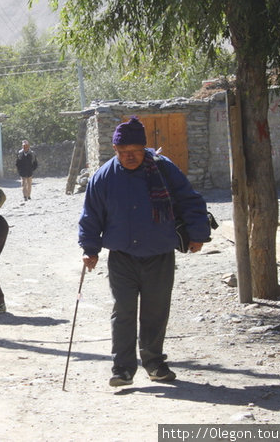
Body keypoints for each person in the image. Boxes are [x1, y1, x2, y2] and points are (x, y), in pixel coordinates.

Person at [78, 116, 210, 387]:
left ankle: (154, 363)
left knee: (155, 310)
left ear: (145, 148)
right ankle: (123, 369)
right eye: (124, 152)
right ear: (115, 151)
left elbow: (189, 199)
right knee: (123, 311)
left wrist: (198, 235)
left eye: (136, 152)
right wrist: (89, 249)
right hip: (122, 257)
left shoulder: (163, 170)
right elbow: (91, 215)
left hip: (159, 253)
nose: (130, 157)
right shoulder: (103, 178)